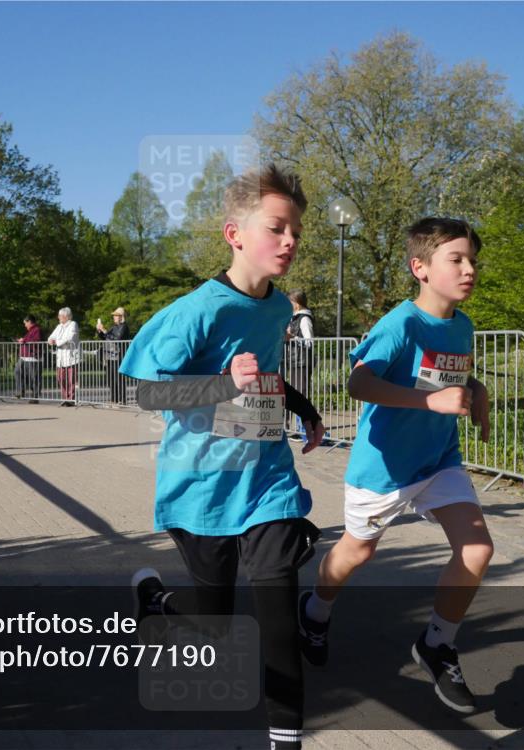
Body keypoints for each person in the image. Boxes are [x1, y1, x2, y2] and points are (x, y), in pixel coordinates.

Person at [119, 164, 325, 750]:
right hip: (202, 483)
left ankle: (285, 739)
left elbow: (267, 374)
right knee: (214, 628)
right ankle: (158, 604)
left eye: (295, 232)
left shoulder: (278, 308)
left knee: (277, 615)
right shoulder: (198, 310)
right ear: (234, 234)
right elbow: (146, 393)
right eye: (276, 228)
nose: (289, 241)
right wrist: (221, 384)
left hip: (267, 480)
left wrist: (303, 408)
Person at [298, 217, 493, 715]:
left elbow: (450, 379)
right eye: (456, 259)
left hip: (439, 460)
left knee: (477, 550)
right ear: (420, 268)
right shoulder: (400, 324)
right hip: (384, 469)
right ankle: (315, 610)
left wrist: (477, 393)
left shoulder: (463, 325)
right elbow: (359, 384)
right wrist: (429, 403)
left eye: (472, 260)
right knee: (357, 552)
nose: (469, 269)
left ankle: (436, 644)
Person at [284, 291, 314, 440]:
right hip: (295, 360)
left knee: (301, 394)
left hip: (302, 361)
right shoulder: (294, 318)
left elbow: (310, 341)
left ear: (296, 303)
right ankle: (297, 428)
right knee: (296, 394)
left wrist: (292, 337)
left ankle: (303, 429)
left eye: (290, 302)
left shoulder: (304, 319)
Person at [96, 307, 131, 405]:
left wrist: (105, 331)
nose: (114, 317)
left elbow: (117, 339)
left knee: (119, 379)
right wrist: (99, 331)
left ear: (121, 317)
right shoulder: (114, 327)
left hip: (119, 355)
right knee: (111, 378)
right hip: (110, 355)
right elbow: (105, 338)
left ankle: (122, 400)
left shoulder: (124, 327)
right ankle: (114, 399)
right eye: (114, 315)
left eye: (116, 315)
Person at [47, 307, 79, 406]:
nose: (58, 317)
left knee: (71, 380)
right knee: (61, 379)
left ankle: (71, 399)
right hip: (61, 358)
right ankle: (65, 398)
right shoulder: (59, 326)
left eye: (60, 315)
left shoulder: (73, 324)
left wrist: (57, 342)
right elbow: (51, 337)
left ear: (66, 316)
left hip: (71, 357)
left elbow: (69, 338)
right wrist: (51, 340)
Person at [15, 315, 42, 403]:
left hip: (33, 357)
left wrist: (24, 341)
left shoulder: (37, 330)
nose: (25, 325)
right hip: (24, 357)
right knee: (18, 371)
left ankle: (35, 397)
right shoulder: (30, 331)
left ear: (29, 321)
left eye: (25, 323)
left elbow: (36, 341)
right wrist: (22, 340)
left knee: (34, 378)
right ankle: (20, 391)